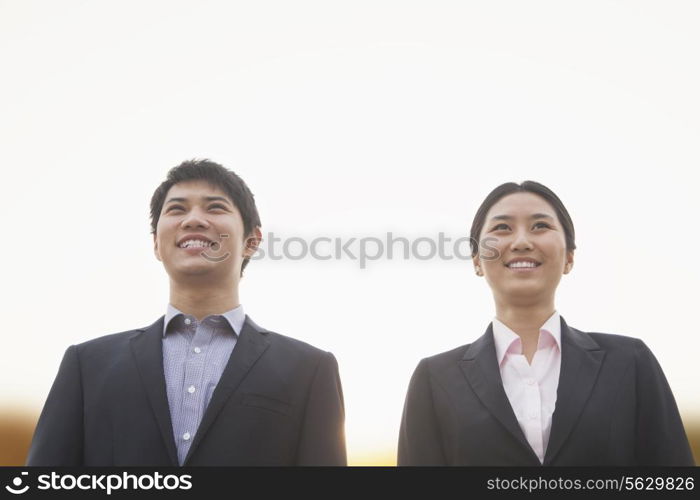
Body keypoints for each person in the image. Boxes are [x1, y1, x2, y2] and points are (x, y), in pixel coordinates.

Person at [27, 159, 346, 466]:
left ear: (252, 240)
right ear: (155, 243)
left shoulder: (309, 371)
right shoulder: (87, 367)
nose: (193, 219)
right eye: (177, 208)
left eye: (215, 207)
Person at [398, 181, 694, 465]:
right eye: (502, 227)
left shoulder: (630, 362)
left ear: (569, 257)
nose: (522, 241)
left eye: (540, 226)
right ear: (477, 259)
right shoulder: (434, 380)